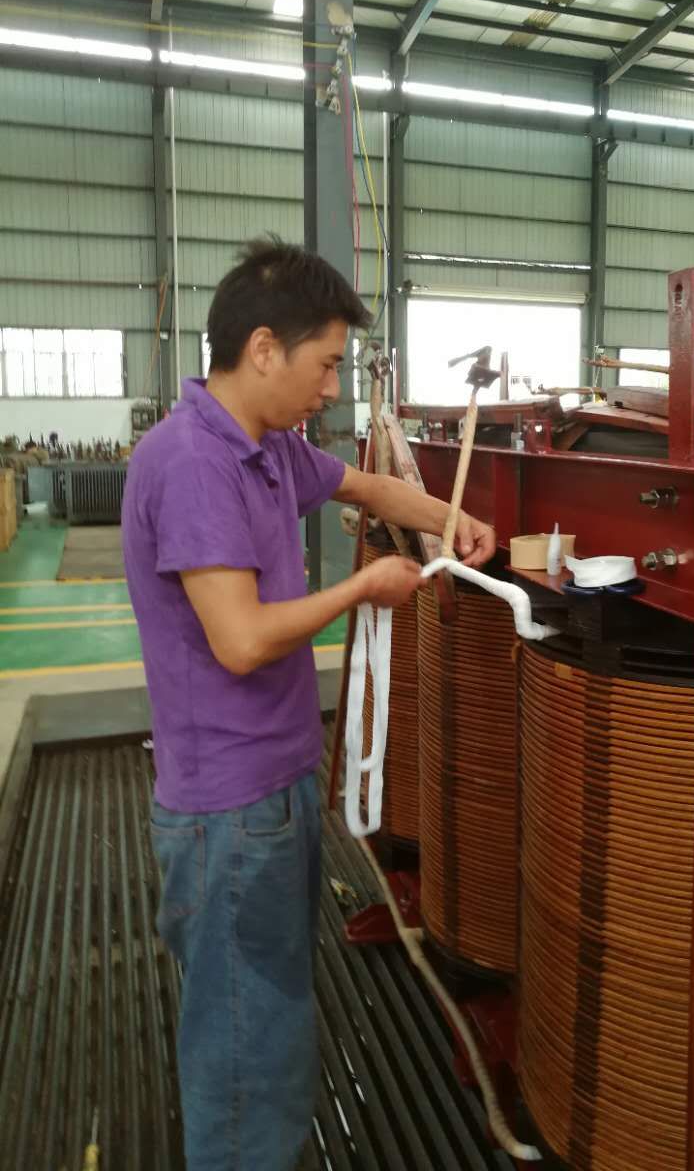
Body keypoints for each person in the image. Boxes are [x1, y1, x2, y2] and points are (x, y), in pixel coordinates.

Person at [121, 237, 495, 1171]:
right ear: (262, 349)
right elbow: (241, 639)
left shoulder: (267, 449)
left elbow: (364, 484)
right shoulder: (194, 463)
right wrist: (362, 589)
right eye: (325, 365)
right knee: (244, 1047)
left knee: (268, 1017)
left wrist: (447, 518)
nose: (332, 389)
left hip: (274, 784)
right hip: (227, 812)